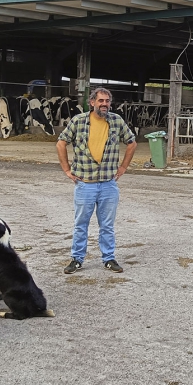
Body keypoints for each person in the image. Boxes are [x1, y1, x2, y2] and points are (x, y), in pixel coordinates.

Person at [57, 87, 137, 274]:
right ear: (92, 102)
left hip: (108, 183)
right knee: (81, 224)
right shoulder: (78, 121)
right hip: (85, 183)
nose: (104, 104)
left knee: (107, 225)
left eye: (107, 101)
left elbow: (132, 142)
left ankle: (108, 258)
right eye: (100, 101)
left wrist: (123, 167)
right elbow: (61, 142)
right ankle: (77, 259)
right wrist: (67, 169)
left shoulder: (116, 121)